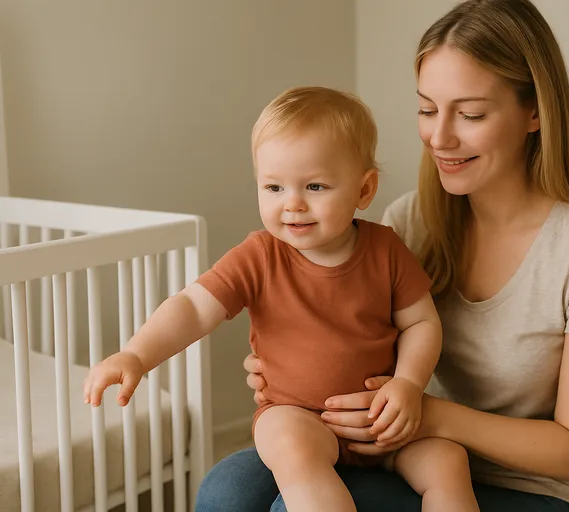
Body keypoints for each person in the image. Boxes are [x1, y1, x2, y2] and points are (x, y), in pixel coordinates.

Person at [195, 0, 569, 511]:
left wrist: (428, 412)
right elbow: (338, 319)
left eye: (471, 113)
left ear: (534, 111)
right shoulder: (410, 220)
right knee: (227, 490)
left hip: (540, 487)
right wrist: (290, 364)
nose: (440, 137)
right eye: (427, 109)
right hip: (404, 449)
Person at [83, 86, 481, 511]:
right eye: (273, 188)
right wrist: (137, 355)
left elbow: (421, 323)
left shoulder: (386, 249)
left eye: (314, 186)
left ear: (364, 190)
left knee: (447, 461)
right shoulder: (258, 256)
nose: (292, 204)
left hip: (380, 421)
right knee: (293, 451)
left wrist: (407, 385)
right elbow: (194, 307)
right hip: (297, 415)